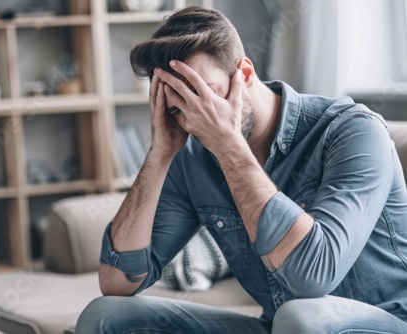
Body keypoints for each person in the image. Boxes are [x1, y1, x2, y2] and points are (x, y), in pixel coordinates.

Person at [76, 6, 407, 334]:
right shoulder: (191, 155)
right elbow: (117, 282)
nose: (195, 118)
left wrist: (227, 144)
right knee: (105, 315)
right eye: (180, 107)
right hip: (280, 327)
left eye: (204, 95)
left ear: (245, 74)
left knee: (300, 318)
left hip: (381, 323)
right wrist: (159, 153)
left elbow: (313, 276)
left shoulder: (353, 131)